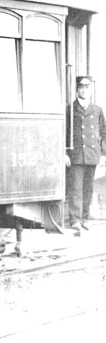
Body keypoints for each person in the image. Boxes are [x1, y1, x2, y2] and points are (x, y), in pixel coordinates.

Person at [65, 76, 106, 235]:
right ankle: (74, 220)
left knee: (88, 188)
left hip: (92, 154)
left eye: (86, 87)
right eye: (81, 87)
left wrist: (103, 153)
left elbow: (103, 131)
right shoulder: (70, 109)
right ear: (77, 90)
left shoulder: (97, 110)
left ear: (90, 90)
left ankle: (84, 219)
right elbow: (63, 131)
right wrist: (64, 153)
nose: (84, 90)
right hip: (75, 155)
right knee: (75, 188)